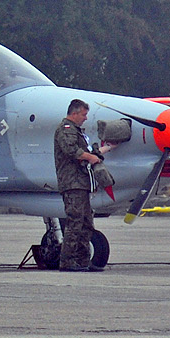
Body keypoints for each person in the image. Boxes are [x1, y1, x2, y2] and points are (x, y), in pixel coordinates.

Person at [54, 99, 103, 272]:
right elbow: (70, 150)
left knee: (86, 222)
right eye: (83, 114)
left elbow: (84, 150)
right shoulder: (66, 129)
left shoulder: (76, 131)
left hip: (81, 183)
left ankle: (83, 261)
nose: (85, 118)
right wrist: (90, 157)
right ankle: (67, 262)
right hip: (72, 182)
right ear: (74, 113)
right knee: (75, 222)